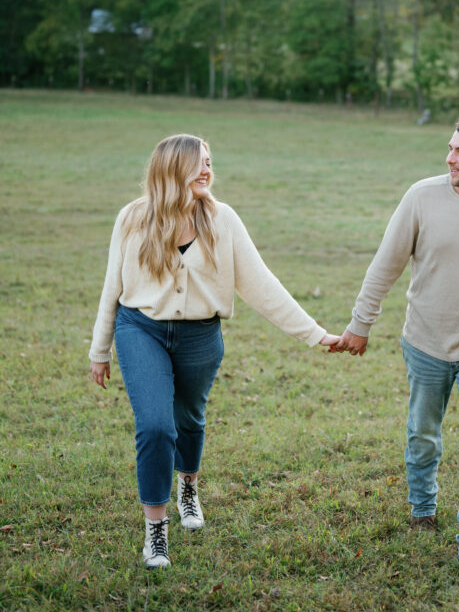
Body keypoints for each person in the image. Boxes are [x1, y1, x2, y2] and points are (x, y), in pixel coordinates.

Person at [89, 133, 339, 570]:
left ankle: (188, 487)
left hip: (201, 336)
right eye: (197, 163)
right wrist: (100, 349)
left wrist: (316, 334)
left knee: (189, 420)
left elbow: (262, 286)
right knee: (155, 427)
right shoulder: (132, 218)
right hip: (140, 330)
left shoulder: (222, 220)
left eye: (209, 162)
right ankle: (156, 532)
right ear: (171, 170)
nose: (207, 170)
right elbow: (113, 285)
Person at [332, 115, 459, 570]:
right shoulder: (421, 197)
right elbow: (385, 265)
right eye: (450, 148)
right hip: (425, 340)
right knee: (423, 434)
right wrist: (360, 324)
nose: (450, 157)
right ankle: (423, 508)